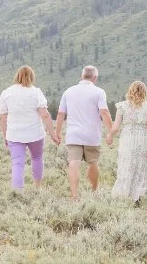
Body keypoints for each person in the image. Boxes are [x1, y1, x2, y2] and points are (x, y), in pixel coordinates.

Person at [54, 65, 113, 200]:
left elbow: (60, 114)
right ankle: (94, 191)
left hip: (73, 135)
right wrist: (111, 131)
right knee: (92, 162)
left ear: (82, 76)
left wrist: (57, 132)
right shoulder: (99, 92)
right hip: (92, 135)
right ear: (95, 78)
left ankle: (74, 195)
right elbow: (104, 112)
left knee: (73, 162)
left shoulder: (68, 91)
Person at [0, 65, 60, 190]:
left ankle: (18, 192)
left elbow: (2, 117)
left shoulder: (7, 93)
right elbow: (45, 115)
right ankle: (37, 188)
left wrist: (5, 135)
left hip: (14, 134)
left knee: (17, 164)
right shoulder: (36, 92)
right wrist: (53, 134)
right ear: (32, 77)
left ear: (17, 76)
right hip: (35, 133)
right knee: (37, 159)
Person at [107, 81, 147, 203]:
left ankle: (123, 196)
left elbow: (116, 126)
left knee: (126, 166)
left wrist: (110, 135)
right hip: (142, 139)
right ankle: (138, 197)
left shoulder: (122, 106)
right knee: (140, 168)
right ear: (144, 92)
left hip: (127, 139)